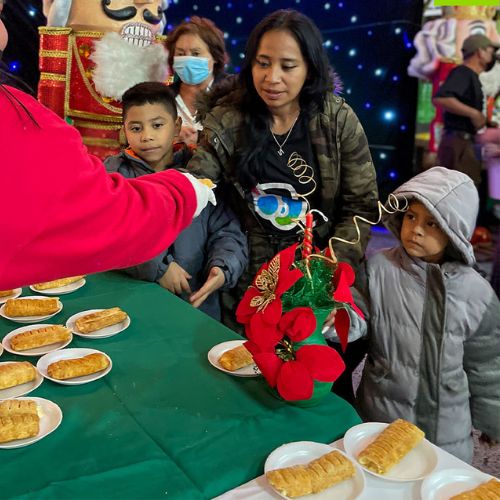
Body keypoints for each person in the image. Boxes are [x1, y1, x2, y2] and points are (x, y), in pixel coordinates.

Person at [186, 9, 379, 400]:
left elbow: (360, 207)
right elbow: (196, 186)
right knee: (243, 387)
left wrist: (323, 277)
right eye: (263, 63)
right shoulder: (228, 119)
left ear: (310, 67)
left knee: (314, 389)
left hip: (316, 273)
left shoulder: (336, 120)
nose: (272, 78)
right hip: (249, 280)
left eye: (288, 65)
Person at [354, 167, 500, 463]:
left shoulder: (478, 294)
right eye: (411, 216)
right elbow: (357, 312)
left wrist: (491, 420)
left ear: (454, 230)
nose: (416, 229)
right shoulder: (379, 268)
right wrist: (337, 319)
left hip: (446, 430)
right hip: (382, 411)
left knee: (436, 480)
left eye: (432, 223)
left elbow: (487, 366)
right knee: (377, 472)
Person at [105, 82, 247, 319]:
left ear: (177, 125)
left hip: (196, 304)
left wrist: (222, 268)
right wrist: (159, 267)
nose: (147, 136)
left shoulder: (202, 171)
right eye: (136, 128)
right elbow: (112, 233)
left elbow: (227, 230)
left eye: (157, 125)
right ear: (124, 130)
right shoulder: (114, 175)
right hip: (131, 306)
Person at [433, 34, 500, 185]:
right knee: (458, 194)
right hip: (458, 145)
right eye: (490, 51)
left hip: (464, 143)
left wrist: (486, 122)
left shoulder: (471, 76)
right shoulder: (463, 73)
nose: (493, 56)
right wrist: (473, 113)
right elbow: (441, 98)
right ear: (479, 52)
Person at [165, 16, 228, 146]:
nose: (187, 60)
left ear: (215, 57)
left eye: (195, 53)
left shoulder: (233, 93)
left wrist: (199, 138)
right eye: (181, 54)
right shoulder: (163, 97)